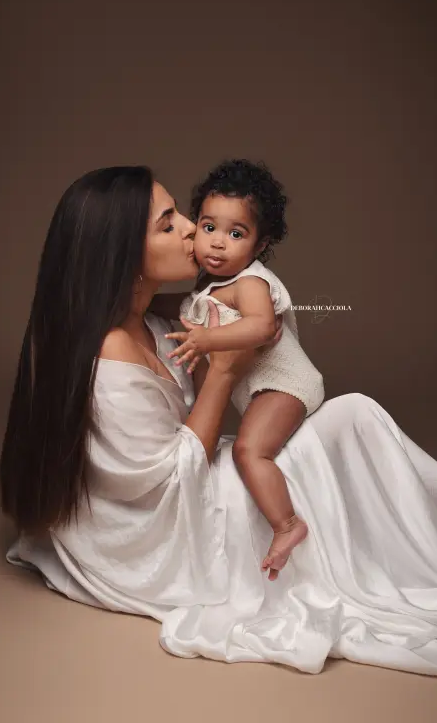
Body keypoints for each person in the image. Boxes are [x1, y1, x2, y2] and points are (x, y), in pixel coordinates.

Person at [0, 166, 437, 676]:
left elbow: (250, 322)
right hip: (171, 527)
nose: (193, 232)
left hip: (198, 473)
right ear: (121, 253)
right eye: (168, 223)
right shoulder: (110, 352)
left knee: (353, 420)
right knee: (347, 424)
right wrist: (223, 372)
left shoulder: (155, 323)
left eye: (181, 215)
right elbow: (165, 485)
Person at [151, 159, 324, 579]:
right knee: (250, 447)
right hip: (264, 389)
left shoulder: (251, 282)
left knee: (250, 451)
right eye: (209, 227)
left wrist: (207, 340)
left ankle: (287, 524)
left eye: (236, 234)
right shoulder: (207, 288)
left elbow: (263, 326)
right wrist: (134, 303)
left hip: (286, 385)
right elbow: (180, 307)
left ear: (259, 245)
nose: (217, 244)